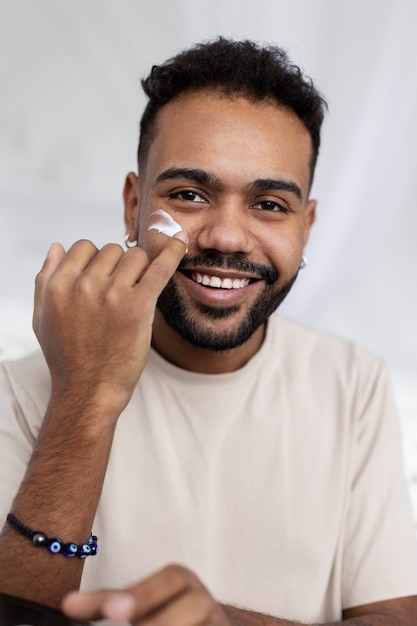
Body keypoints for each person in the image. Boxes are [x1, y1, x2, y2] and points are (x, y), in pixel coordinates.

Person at [0, 37, 416, 625]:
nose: (227, 238)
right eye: (190, 195)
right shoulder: (20, 391)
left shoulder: (353, 384)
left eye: (270, 204)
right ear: (133, 204)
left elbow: (395, 617)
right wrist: (84, 399)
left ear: (307, 226)